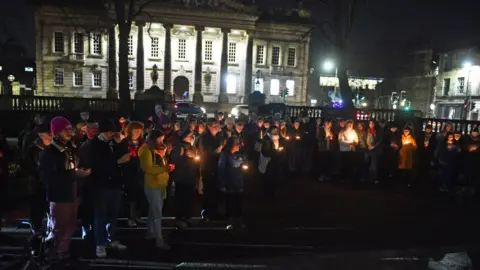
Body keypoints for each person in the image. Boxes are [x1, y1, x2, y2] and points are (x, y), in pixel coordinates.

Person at [39, 116, 91, 264]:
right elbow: (49, 175)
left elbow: (72, 166)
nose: (70, 132)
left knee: (71, 223)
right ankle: (55, 253)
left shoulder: (69, 148)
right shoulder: (50, 152)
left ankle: (64, 251)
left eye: (70, 129)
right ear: (56, 132)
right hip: (59, 193)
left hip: (71, 190)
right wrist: (75, 174)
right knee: (59, 226)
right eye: (66, 130)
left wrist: (78, 172)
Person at [79, 119, 128, 258]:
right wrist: (117, 161)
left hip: (115, 183)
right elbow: (98, 164)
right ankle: (100, 243)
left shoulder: (113, 142)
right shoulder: (93, 145)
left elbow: (122, 155)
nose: (112, 135)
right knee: (100, 215)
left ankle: (111, 238)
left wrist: (120, 146)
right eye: (110, 132)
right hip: (100, 184)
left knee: (113, 213)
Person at [139, 130, 172, 250]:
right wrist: (165, 168)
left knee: (153, 211)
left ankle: (150, 232)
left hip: (158, 184)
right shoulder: (146, 151)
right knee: (157, 212)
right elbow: (148, 169)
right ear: (154, 139)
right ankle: (159, 239)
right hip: (152, 185)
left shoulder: (152, 150)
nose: (162, 142)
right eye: (160, 139)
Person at [25, 122, 52, 232]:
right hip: (37, 185)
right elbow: (27, 165)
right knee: (37, 209)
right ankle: (36, 230)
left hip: (51, 184)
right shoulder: (33, 149)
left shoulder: (54, 148)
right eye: (48, 134)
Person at [171, 130, 200, 229]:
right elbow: (176, 162)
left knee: (189, 199)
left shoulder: (191, 146)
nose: (191, 137)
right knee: (181, 199)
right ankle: (179, 219)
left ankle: (187, 217)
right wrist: (187, 158)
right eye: (189, 135)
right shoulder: (180, 147)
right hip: (182, 178)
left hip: (190, 177)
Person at [218, 136, 247, 229]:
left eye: (239, 142)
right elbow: (221, 169)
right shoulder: (225, 154)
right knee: (229, 201)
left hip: (239, 180)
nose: (238, 145)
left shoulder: (241, 154)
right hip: (229, 181)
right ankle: (229, 220)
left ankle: (239, 219)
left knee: (239, 201)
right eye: (236, 143)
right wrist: (222, 183)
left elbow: (245, 163)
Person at [122, 121, 146, 227]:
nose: (137, 133)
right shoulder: (125, 142)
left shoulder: (143, 143)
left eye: (139, 131)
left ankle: (137, 216)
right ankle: (130, 217)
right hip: (129, 172)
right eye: (135, 130)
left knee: (140, 195)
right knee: (131, 196)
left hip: (140, 172)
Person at [198, 118, 223, 221]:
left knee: (214, 191)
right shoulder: (205, 137)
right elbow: (207, 153)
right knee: (209, 191)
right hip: (208, 167)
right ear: (208, 126)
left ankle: (214, 212)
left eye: (218, 125)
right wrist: (219, 149)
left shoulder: (216, 136)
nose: (217, 128)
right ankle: (207, 212)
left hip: (214, 166)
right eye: (215, 126)